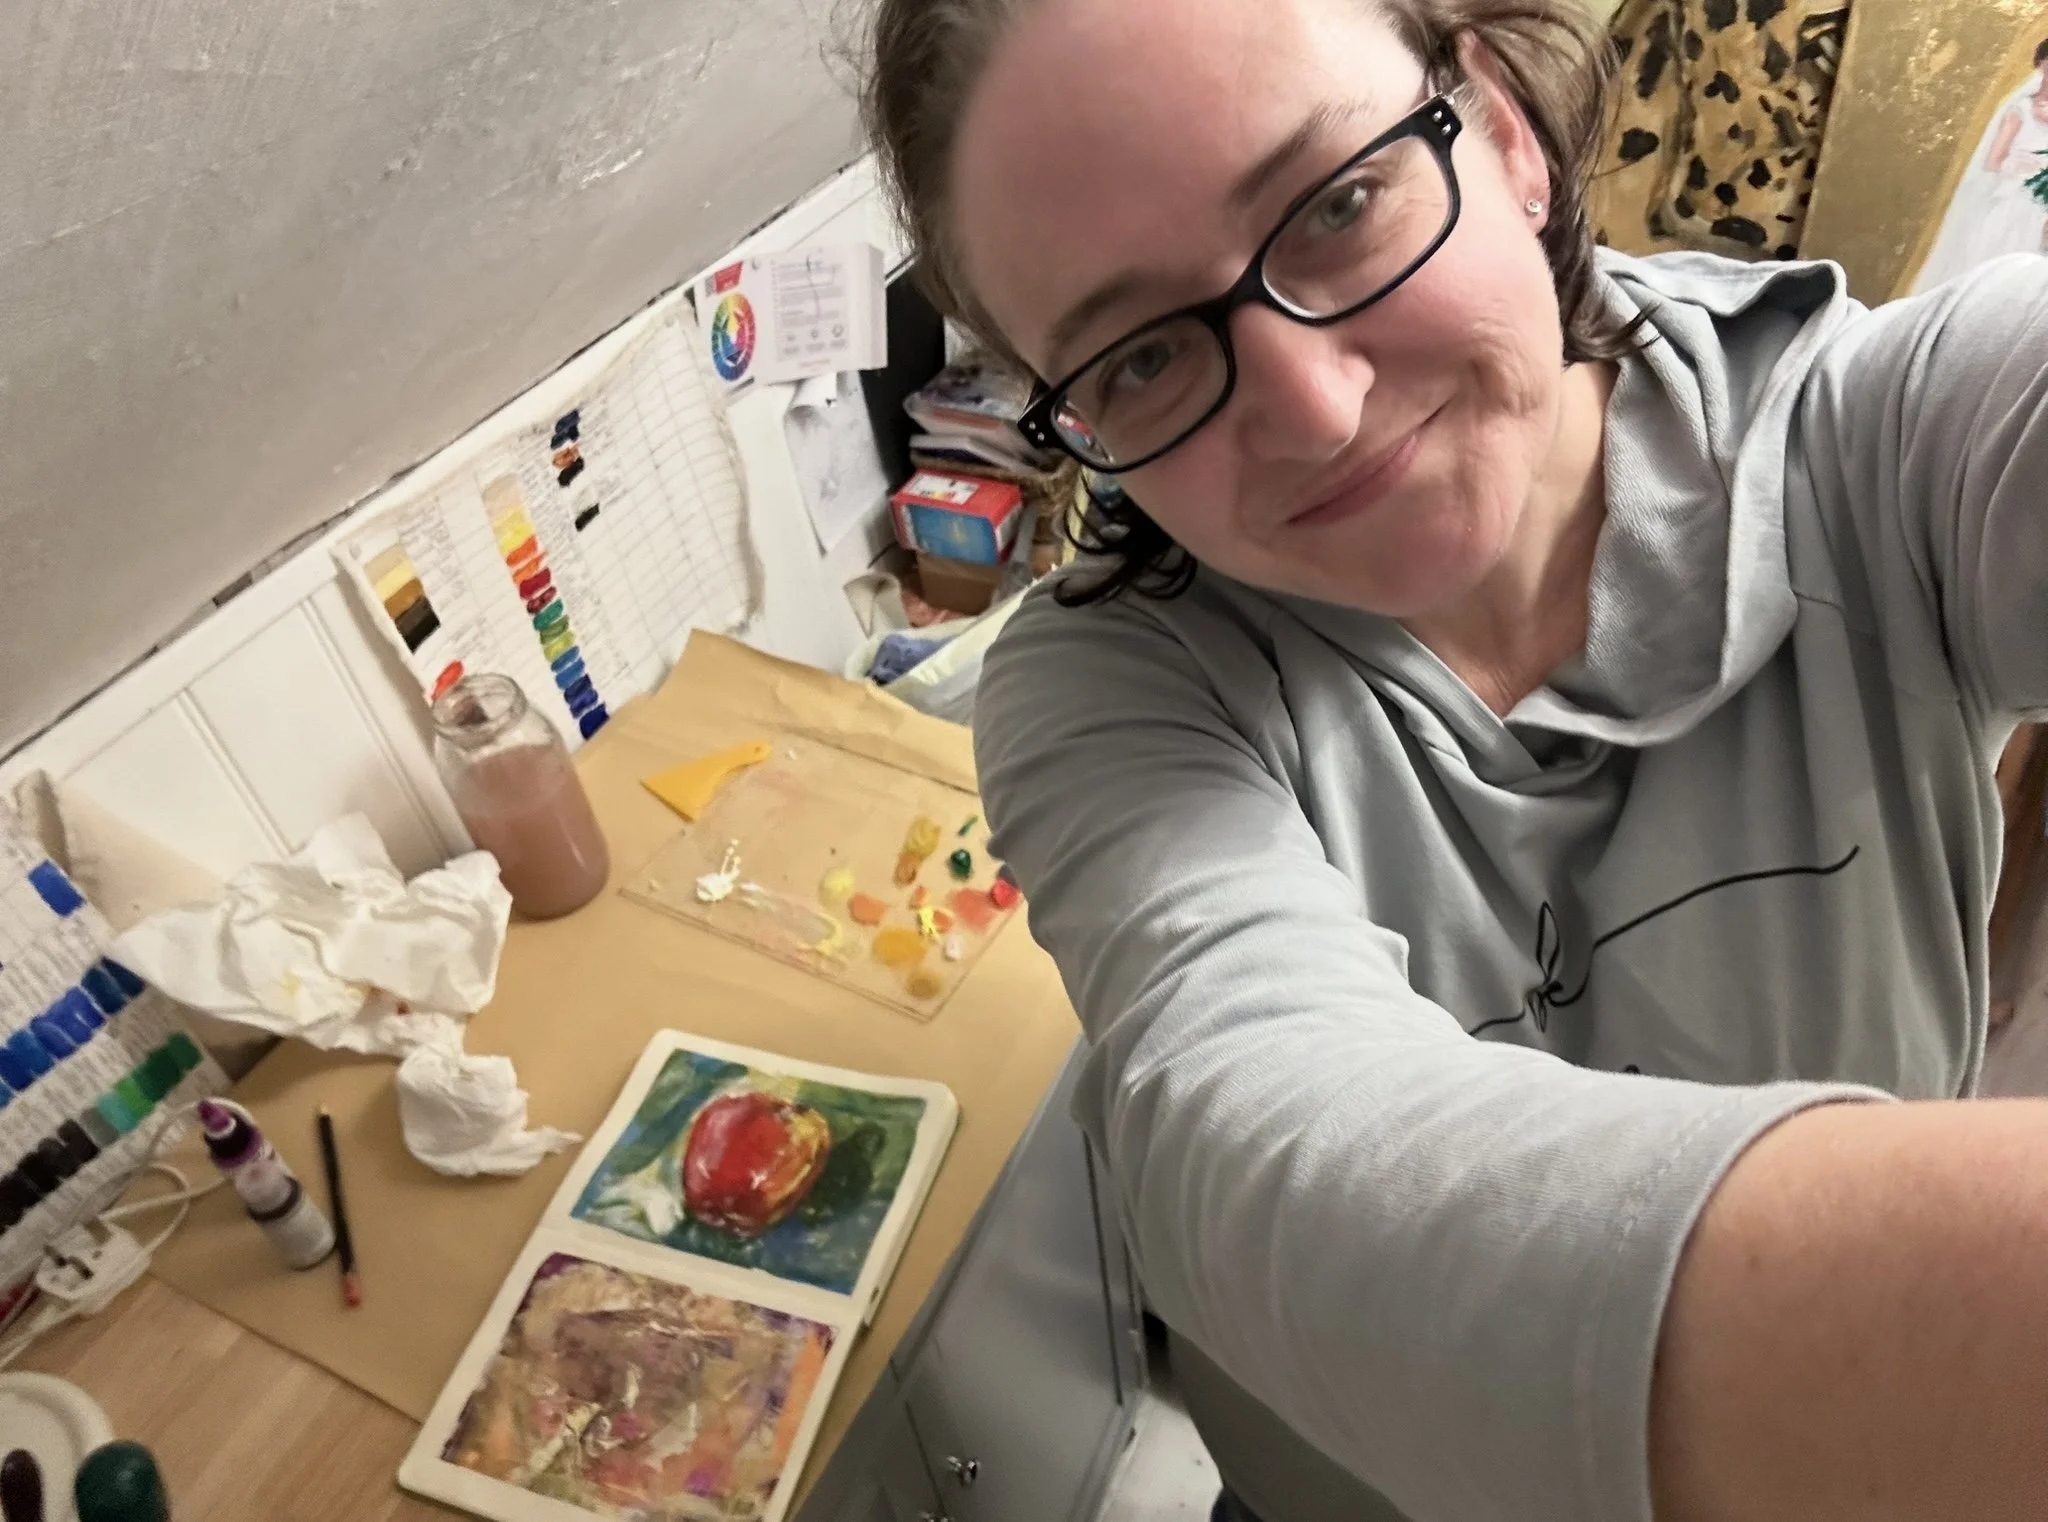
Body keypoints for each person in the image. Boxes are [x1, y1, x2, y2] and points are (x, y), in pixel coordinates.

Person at [863, 1, 2048, 1518]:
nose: (1315, 408)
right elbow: (1256, 1132)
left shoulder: (1883, 435)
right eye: (1143, 358)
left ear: (1499, 131)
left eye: (1341, 204)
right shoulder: (1113, 690)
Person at [1910, 38, 2048, 293]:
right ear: (2041, 67)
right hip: (2008, 206)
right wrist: (2021, 166)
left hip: (2039, 215)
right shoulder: (2020, 110)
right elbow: (1993, 161)